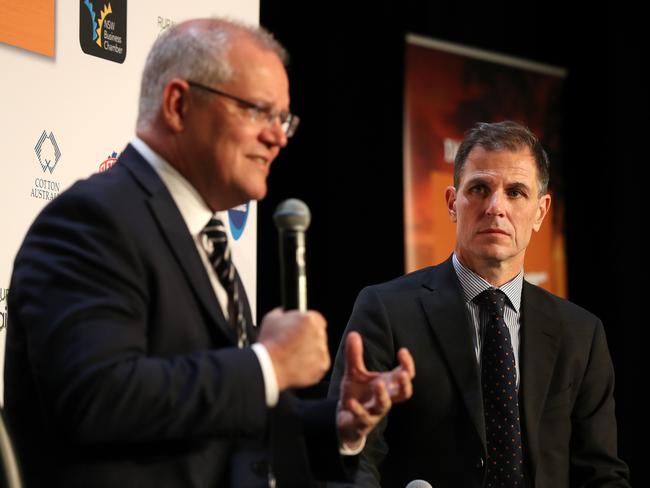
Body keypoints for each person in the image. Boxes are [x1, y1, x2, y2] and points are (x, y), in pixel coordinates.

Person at [3, 19, 415, 488]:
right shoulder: (92, 220)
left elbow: (217, 420)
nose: (278, 138)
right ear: (179, 105)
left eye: (283, 120)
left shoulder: (204, 237)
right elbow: (98, 398)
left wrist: (338, 424)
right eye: (258, 111)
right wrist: (269, 363)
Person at [328, 121, 631, 487]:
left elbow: (601, 474)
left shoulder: (582, 332)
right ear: (453, 203)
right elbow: (357, 459)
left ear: (541, 211)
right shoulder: (386, 310)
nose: (495, 207)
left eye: (516, 192)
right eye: (480, 188)